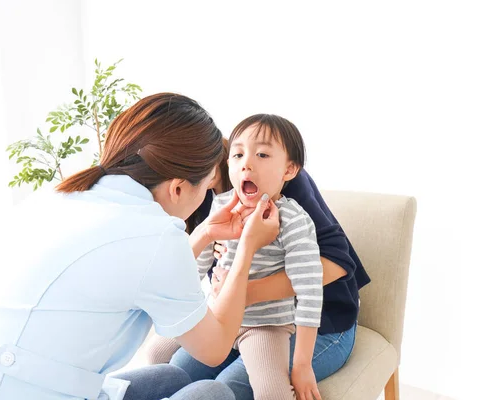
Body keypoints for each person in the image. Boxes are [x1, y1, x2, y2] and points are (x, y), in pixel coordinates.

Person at [0, 93, 281, 400]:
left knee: (171, 376)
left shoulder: (58, 198)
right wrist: (247, 247)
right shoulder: (155, 235)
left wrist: (203, 234)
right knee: (213, 393)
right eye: (207, 187)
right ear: (177, 187)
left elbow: (139, 270)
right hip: (14, 386)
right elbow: (215, 349)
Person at [145, 116, 371, 400]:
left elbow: (313, 286)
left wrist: (301, 364)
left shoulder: (291, 214)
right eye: (238, 155)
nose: (246, 163)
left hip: (275, 324)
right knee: (164, 359)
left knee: (240, 389)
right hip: (223, 316)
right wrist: (204, 236)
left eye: (261, 154)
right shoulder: (216, 203)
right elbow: (192, 272)